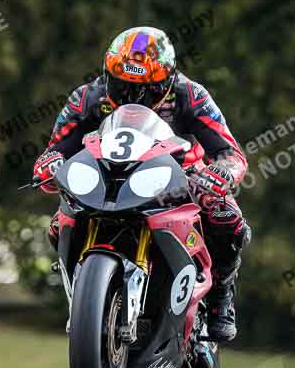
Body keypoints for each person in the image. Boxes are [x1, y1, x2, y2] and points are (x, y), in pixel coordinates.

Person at [33, 27, 251, 341]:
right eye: (123, 88)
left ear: (169, 79)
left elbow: (231, 153)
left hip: (178, 182)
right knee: (58, 225)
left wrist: (221, 174)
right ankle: (81, 292)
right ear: (108, 76)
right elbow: (56, 148)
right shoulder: (87, 97)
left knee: (228, 218)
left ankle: (221, 297)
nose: (134, 98)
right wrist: (48, 163)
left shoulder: (191, 95)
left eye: (147, 90)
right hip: (108, 178)